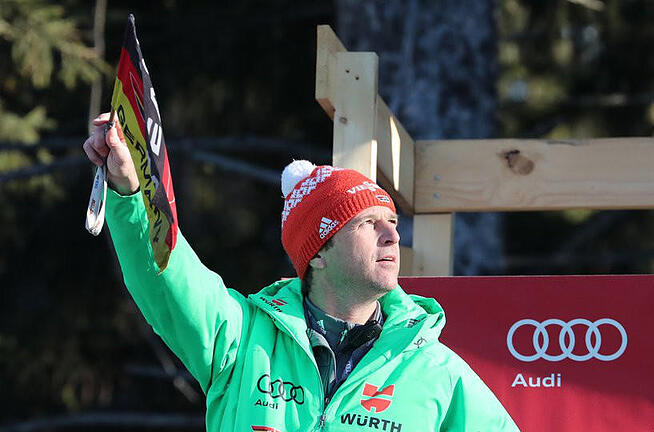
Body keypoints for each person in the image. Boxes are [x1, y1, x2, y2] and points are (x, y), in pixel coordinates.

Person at [83, 112, 520, 432]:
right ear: (319, 251)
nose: (392, 237)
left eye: (393, 224)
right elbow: (167, 275)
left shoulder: (433, 369)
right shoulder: (241, 337)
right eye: (368, 224)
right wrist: (129, 189)